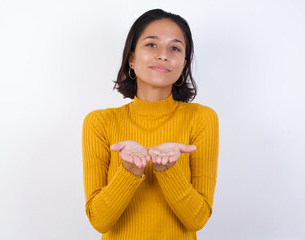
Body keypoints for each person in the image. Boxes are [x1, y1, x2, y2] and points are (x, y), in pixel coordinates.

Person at [82, 9, 219, 240]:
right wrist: (131, 169)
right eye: (152, 45)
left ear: (183, 64)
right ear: (132, 58)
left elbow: (197, 219)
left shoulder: (202, 118)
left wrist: (167, 169)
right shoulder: (99, 122)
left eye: (174, 48)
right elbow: (99, 220)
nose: (163, 55)